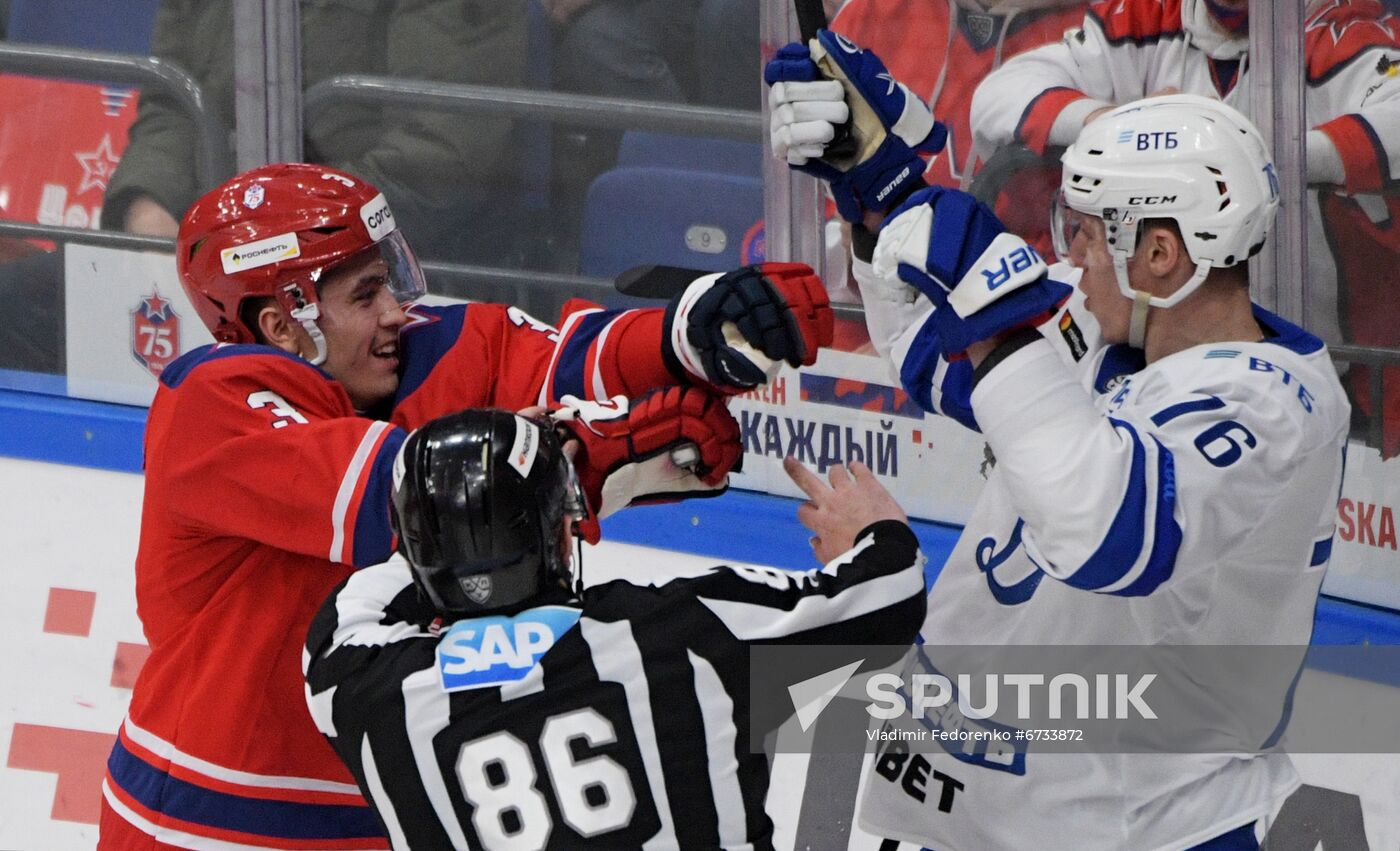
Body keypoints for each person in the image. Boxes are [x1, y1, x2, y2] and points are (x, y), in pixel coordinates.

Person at [97, 161, 834, 850]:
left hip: (399, 805)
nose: (395, 312)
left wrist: (694, 332)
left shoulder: (423, 352)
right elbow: (428, 502)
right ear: (283, 323)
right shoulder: (211, 405)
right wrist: (597, 459)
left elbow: (567, 360)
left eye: (387, 282)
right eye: (363, 296)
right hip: (203, 816)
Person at [769, 36, 1350, 849]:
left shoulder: (1270, 406)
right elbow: (943, 358)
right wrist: (879, 189)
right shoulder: (1113, 326)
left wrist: (987, 299)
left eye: (1085, 230)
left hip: (1145, 826)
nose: (1067, 251)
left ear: (1160, 253)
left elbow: (1103, 529)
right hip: (987, 809)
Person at [303, 406, 927, 849]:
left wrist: (472, 505)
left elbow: (362, 605)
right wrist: (878, 531)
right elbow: (887, 598)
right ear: (561, 531)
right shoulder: (682, 633)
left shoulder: (361, 695)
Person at [967, 0, 1400, 456]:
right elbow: (998, 98)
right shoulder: (1145, 16)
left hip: (1348, 401)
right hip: (1167, 367)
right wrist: (1115, 127)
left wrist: (1245, 154)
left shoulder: (1341, 26)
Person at [102, 0, 528, 263]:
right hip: (218, 249)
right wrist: (149, 209)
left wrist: (290, 236)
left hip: (375, 269)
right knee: (37, 297)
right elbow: (172, 102)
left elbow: (440, 158)